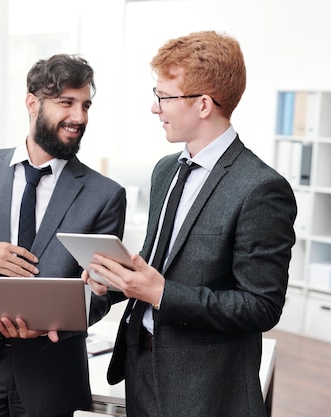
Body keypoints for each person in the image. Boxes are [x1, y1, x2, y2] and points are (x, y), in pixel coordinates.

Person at [84, 30, 297, 417]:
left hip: (206, 388)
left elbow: (261, 306)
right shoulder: (166, 171)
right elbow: (158, 263)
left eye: (163, 97)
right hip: (141, 369)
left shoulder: (261, 188)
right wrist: (116, 282)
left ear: (202, 105)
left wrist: (162, 293)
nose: (155, 108)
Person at [0, 54, 126, 417]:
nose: (79, 117)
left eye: (85, 105)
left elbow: (105, 292)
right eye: (66, 103)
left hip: (51, 377)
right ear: (32, 103)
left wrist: (55, 325)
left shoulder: (105, 194)